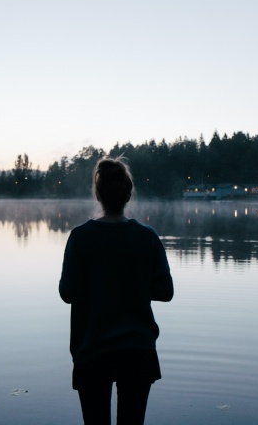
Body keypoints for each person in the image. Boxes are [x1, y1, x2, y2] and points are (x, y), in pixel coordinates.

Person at [59, 157, 174, 425]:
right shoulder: (147, 237)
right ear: (128, 193)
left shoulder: (80, 237)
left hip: (92, 351)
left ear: (98, 194)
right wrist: (133, 282)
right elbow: (165, 291)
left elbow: (67, 293)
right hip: (137, 351)